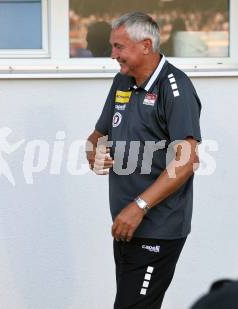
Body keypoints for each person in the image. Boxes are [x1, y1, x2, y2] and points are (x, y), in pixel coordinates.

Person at [86, 12, 201, 309]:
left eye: (119, 47)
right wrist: (94, 152)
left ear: (146, 45)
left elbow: (186, 161)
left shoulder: (175, 87)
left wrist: (139, 207)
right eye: (113, 47)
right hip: (125, 226)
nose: (113, 55)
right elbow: (97, 136)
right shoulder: (122, 81)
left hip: (156, 228)